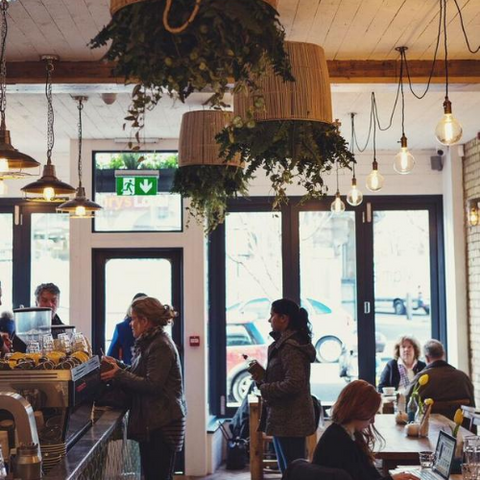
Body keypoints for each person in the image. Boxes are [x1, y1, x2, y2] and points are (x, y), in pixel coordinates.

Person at [101, 296, 187, 480]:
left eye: (133, 319)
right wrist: (117, 365)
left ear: (145, 321)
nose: (130, 324)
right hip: (155, 422)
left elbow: (152, 385)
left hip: (163, 424)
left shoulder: (160, 345)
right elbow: (139, 373)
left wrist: (118, 374)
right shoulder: (150, 342)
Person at [250, 298, 316, 474]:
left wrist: (265, 388)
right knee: (289, 471)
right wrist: (263, 377)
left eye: (272, 315)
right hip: (285, 419)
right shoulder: (286, 344)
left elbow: (294, 383)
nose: (269, 319)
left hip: (291, 421)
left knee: (292, 472)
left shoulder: (291, 347)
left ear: (283, 318)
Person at [313, 380, 418, 480]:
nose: (372, 421)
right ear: (361, 411)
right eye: (371, 415)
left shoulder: (341, 433)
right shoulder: (341, 443)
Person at [405, 339, 475, 418]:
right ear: (443, 355)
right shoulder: (463, 377)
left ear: (427, 358)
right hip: (461, 429)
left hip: (429, 429)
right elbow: (472, 409)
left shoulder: (422, 379)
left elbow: (407, 405)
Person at [107, 292, 147, 365]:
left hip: (129, 369)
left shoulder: (121, 328)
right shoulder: (159, 335)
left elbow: (111, 356)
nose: (131, 324)